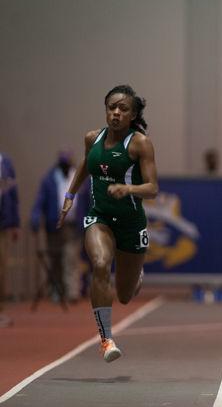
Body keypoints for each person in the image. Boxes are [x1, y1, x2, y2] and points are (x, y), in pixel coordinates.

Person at [58, 85, 158, 362]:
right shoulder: (93, 138)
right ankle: (106, 340)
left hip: (130, 222)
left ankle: (136, 277)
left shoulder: (139, 143)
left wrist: (128, 190)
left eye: (123, 109)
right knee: (101, 263)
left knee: (124, 295)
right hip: (99, 216)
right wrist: (70, 195)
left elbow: (152, 188)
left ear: (133, 114)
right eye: (111, 107)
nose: (115, 113)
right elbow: (85, 166)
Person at [31, 150, 85, 304]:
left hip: (73, 225)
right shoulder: (49, 179)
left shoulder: (80, 177)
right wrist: (35, 217)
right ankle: (57, 290)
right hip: (54, 225)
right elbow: (40, 200)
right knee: (55, 259)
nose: (65, 167)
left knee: (71, 258)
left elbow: (87, 201)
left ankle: (72, 291)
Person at [0, 152, 20, 327]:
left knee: (1, 268)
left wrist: (15, 223)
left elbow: (13, 196)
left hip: (2, 224)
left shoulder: (6, 163)